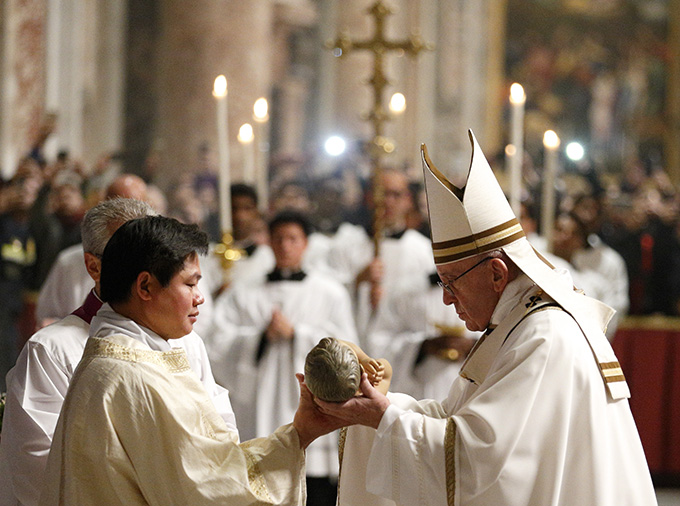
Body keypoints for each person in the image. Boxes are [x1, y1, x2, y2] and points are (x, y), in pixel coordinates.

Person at [318, 131, 656, 506]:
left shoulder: (544, 335)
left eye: (452, 281)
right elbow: (457, 418)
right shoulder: (520, 321)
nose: (445, 298)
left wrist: (381, 417)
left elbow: (478, 459)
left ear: (497, 273)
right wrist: (381, 406)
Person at [38, 215, 343, 505]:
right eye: (190, 284)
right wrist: (299, 434)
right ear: (145, 286)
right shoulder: (136, 375)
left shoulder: (119, 355)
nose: (200, 297)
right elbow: (208, 488)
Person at [0, 198, 237, 506]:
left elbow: (220, 428)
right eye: (125, 250)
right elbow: (39, 464)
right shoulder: (52, 350)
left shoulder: (186, 342)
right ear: (93, 266)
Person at [208, 210, 358, 506]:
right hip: (259, 407)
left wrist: (296, 334)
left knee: (313, 491)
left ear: (306, 244)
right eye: (278, 239)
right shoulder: (243, 292)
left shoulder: (330, 293)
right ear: (269, 243)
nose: (285, 246)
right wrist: (260, 338)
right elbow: (217, 343)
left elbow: (348, 350)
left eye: (293, 238)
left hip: (312, 404)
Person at [326, 169, 434, 342]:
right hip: (354, 342)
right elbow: (325, 299)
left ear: (407, 200)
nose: (387, 201)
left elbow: (430, 303)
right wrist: (358, 281)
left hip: (401, 348)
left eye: (395, 195)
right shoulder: (345, 245)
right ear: (369, 198)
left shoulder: (424, 250)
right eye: (382, 194)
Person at [305, 337, 392, 402]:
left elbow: (336, 343)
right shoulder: (369, 401)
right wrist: (364, 358)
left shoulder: (318, 405)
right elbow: (386, 373)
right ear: (362, 376)